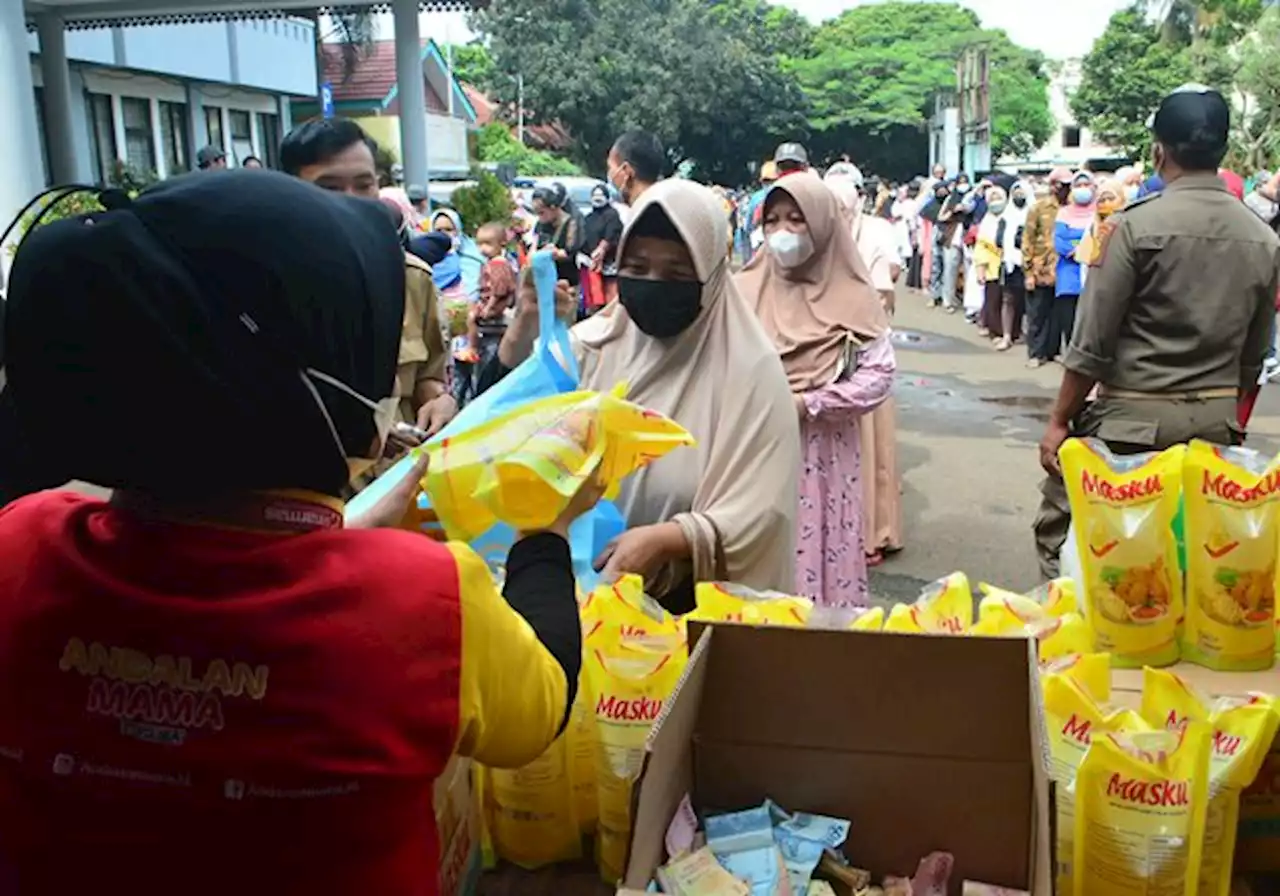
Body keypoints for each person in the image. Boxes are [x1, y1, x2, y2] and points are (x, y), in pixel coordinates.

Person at [0, 169, 600, 891]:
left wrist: (341, 537)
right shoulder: (423, 603)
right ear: (313, 380)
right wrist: (546, 530)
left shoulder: (20, 552)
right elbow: (539, 712)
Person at [498, 180, 800, 612]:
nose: (654, 284)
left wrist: (670, 540)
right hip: (571, 609)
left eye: (677, 273)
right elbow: (504, 425)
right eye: (637, 267)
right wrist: (524, 328)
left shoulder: (752, 374)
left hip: (682, 619)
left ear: (712, 278)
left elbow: (763, 512)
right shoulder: (592, 347)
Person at [1034, 85, 1280, 578]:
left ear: (1158, 151)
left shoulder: (1130, 227)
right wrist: (1227, 418)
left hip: (1130, 424)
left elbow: (1091, 343)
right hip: (1214, 425)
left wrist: (1059, 420)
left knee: (1073, 544)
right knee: (1194, 560)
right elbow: (1255, 355)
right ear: (1223, 151)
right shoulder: (1263, 237)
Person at [737, 172, 895, 606]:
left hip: (822, 452)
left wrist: (810, 404)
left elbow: (878, 376)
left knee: (817, 554)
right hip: (754, 446)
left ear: (824, 224)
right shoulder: (744, 289)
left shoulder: (853, 295)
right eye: (772, 221)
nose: (782, 233)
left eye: (796, 220)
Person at [280, 118, 455, 435]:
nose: (352, 200)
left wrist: (439, 401)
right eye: (329, 188)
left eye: (364, 185)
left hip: (403, 472)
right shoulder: (267, 283)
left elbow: (428, 377)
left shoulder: (412, 280)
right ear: (290, 190)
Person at [825, 175, 905, 568]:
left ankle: (871, 534)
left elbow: (886, 284)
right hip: (827, 364)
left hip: (862, 358)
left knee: (869, 451)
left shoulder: (873, 233)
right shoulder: (819, 241)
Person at [455, 222, 518, 406]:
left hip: (494, 305)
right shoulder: (494, 262)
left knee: (472, 318)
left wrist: (488, 307)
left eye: (488, 244)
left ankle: (472, 347)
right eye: (480, 244)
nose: (483, 249)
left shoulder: (498, 264)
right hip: (493, 303)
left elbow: (499, 291)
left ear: (501, 245)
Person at [1023, 166, 1073, 368]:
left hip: (1064, 269)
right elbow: (1028, 239)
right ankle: (1036, 353)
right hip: (1041, 268)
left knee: (1059, 314)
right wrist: (1028, 272)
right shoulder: (1039, 208)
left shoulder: (1072, 208)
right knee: (1038, 313)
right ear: (1053, 186)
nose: (1067, 189)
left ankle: (1053, 351)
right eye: (1063, 185)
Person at [1047, 172, 1095, 361]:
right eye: (1079, 186)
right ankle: (1071, 354)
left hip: (1092, 271)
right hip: (1069, 271)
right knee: (1068, 314)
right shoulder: (1064, 213)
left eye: (1086, 185)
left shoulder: (1099, 213)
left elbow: (1100, 238)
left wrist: (1083, 249)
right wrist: (1079, 251)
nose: (1083, 190)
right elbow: (1059, 240)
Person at [994, 181, 1030, 352]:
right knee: (1008, 299)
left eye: (1022, 193)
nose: (1018, 196)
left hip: (1028, 262)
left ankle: (1027, 334)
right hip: (1008, 262)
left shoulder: (1032, 214)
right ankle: (1007, 335)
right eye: (1015, 193)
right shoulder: (1006, 216)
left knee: (1029, 299)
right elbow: (999, 240)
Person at [532, 186, 585, 288]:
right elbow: (534, 247)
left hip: (566, 281)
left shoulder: (572, 223)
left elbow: (570, 253)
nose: (540, 217)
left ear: (553, 207)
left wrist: (552, 253)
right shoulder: (541, 224)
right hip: (544, 279)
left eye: (542, 213)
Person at [583, 183, 624, 310]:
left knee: (610, 293)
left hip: (609, 261)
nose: (597, 198)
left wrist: (601, 251)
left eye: (600, 195)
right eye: (594, 196)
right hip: (591, 262)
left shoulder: (612, 214)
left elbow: (611, 235)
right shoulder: (589, 217)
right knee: (594, 296)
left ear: (607, 197)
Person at [974, 185, 1008, 342]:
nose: (996, 202)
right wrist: (980, 269)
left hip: (1009, 265)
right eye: (992, 199)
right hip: (991, 266)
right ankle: (995, 330)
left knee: (1008, 300)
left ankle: (1010, 331)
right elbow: (981, 247)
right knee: (992, 299)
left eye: (998, 198)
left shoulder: (1010, 218)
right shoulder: (986, 222)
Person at [607, 129, 665, 206]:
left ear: (626, 171)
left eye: (610, 167)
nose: (609, 174)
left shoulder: (628, 216)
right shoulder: (671, 212)